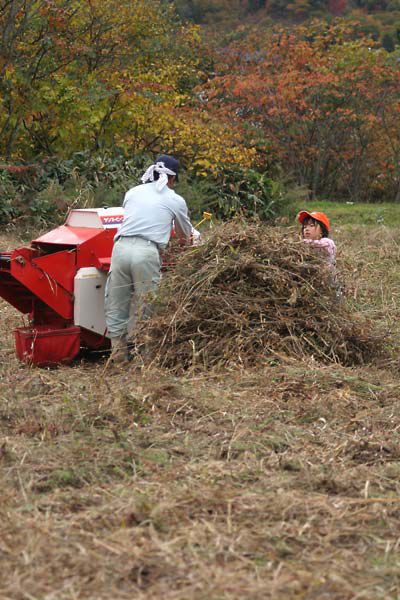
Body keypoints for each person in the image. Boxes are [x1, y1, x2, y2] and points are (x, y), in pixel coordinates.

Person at [105, 154, 194, 361]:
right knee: (149, 306)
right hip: (146, 252)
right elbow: (185, 236)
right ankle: (146, 358)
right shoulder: (175, 200)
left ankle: (117, 357)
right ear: (172, 179)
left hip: (119, 249)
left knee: (117, 303)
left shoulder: (133, 192)